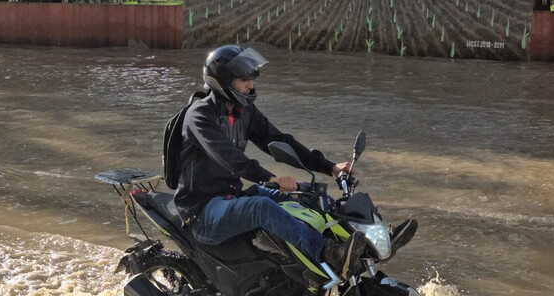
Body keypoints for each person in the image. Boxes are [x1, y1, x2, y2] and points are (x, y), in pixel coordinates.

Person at [173, 44, 414, 280]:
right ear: (223, 80)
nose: (251, 85)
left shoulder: (243, 111)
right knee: (262, 207)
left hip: (233, 198)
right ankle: (329, 252)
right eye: (243, 80)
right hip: (203, 212)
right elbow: (228, 156)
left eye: (251, 79)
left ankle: (371, 239)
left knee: (309, 193)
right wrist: (269, 178)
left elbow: (279, 140)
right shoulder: (199, 115)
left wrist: (329, 167)